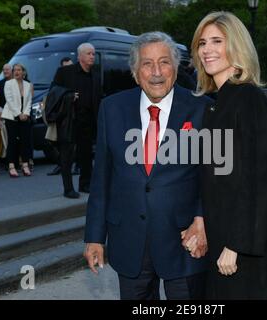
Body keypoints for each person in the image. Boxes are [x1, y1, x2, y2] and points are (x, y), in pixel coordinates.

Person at [188, 11, 267, 299]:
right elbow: (214, 176)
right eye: (202, 43)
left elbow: (259, 178)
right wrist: (203, 222)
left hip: (250, 242)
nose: (207, 50)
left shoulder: (249, 99)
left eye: (217, 41)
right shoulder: (216, 105)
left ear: (237, 46)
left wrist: (236, 244)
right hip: (226, 232)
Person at [84, 32, 211, 300]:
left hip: (184, 241)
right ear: (134, 71)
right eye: (147, 64)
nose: (156, 72)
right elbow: (102, 178)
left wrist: (202, 220)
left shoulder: (203, 110)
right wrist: (94, 236)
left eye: (164, 62)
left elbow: (212, 177)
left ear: (176, 68)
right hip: (129, 241)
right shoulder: (112, 108)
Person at [51, 44, 101, 198]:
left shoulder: (95, 74)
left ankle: (85, 184)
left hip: (88, 120)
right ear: (79, 57)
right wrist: (69, 97)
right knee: (67, 155)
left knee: (86, 154)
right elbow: (53, 92)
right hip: (69, 120)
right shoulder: (65, 72)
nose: (92, 56)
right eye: (88, 54)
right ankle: (68, 188)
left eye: (93, 53)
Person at [46, 56, 79, 177]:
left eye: (70, 66)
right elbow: (52, 96)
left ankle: (77, 165)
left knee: (77, 143)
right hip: (63, 118)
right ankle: (62, 165)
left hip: (77, 116)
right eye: (66, 67)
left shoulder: (77, 78)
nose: (68, 69)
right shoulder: (58, 80)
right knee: (60, 143)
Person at [1, 63, 33, 177]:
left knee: (25, 141)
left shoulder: (28, 85)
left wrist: (26, 113)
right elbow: (9, 100)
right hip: (11, 116)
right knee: (12, 141)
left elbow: (29, 101)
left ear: (23, 72)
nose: (16, 72)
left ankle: (25, 165)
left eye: (19, 70)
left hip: (24, 116)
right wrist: (18, 114)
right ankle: (11, 166)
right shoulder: (8, 83)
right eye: (15, 70)